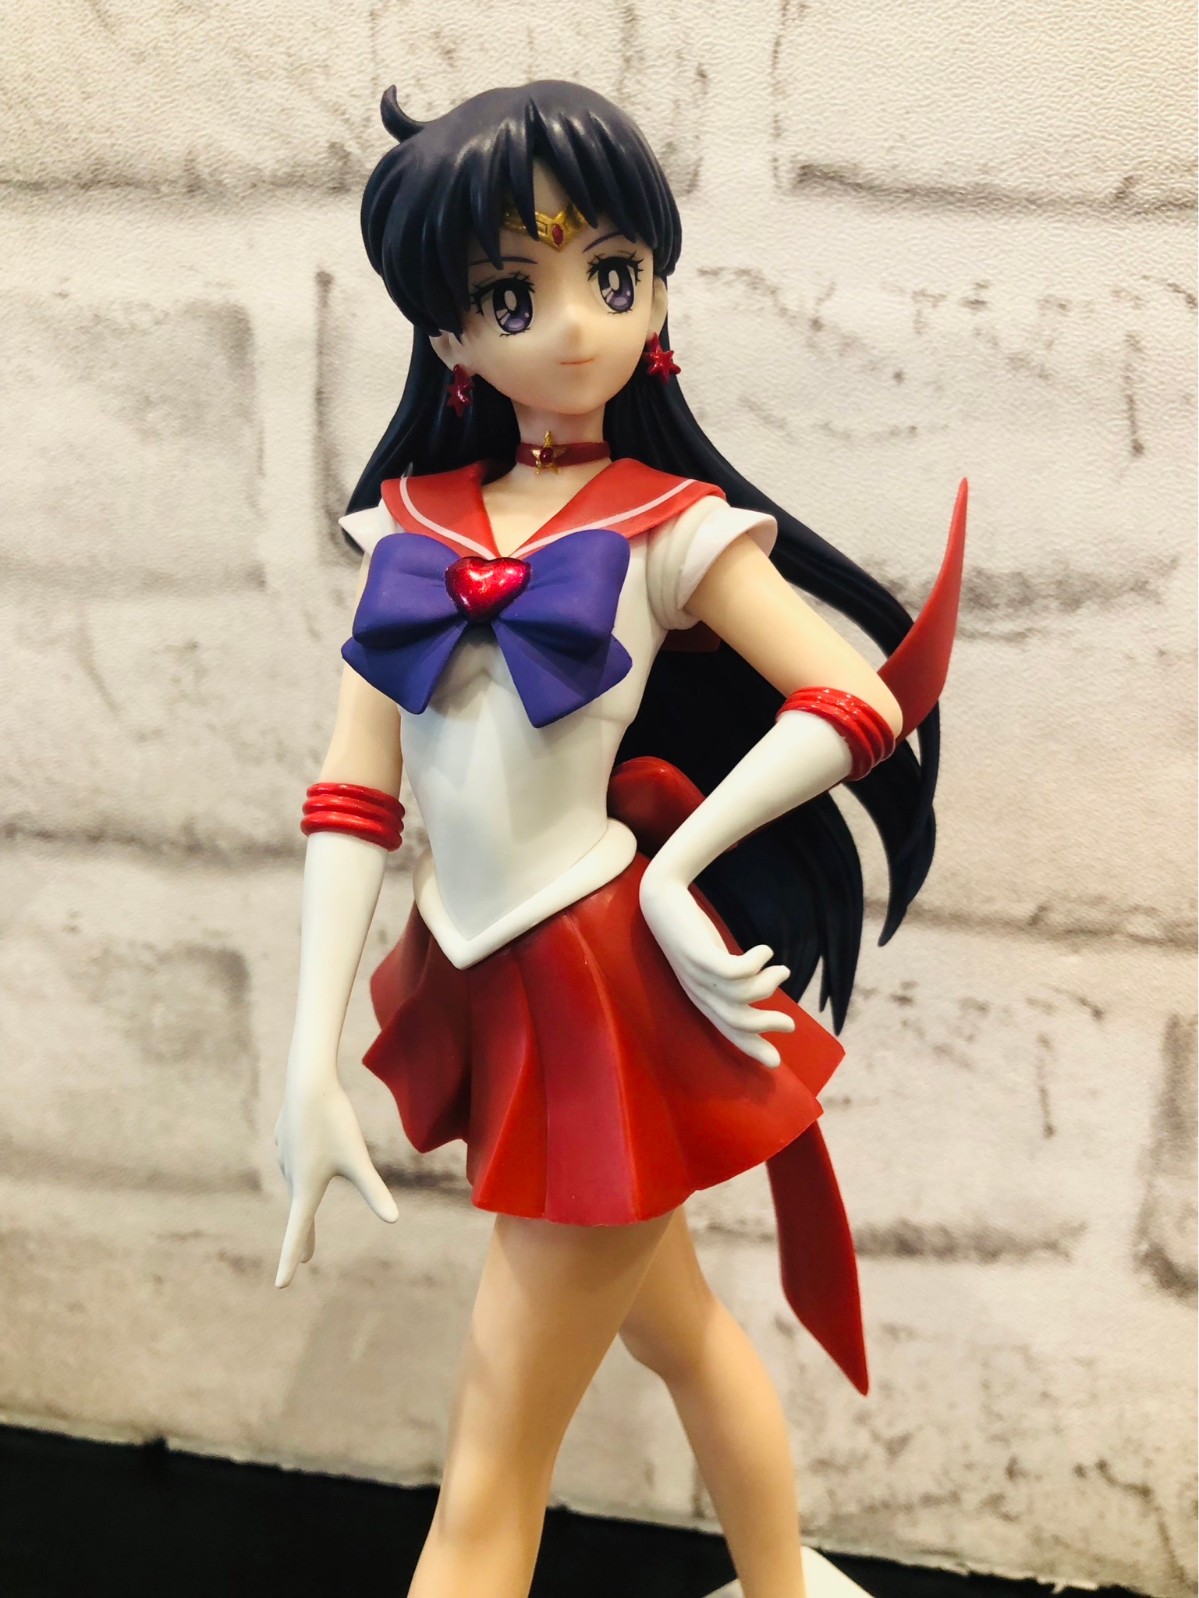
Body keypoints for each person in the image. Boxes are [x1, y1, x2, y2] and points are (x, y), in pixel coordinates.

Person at [273, 80, 964, 1598]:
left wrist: (682, 871)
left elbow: (855, 699)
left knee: (488, 1471)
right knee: (681, 1331)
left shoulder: (667, 525)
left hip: (596, 996)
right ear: (450, 337)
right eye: (513, 294)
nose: (574, 323)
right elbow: (352, 799)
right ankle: (783, 1584)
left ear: (654, 291)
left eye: (612, 272)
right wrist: (305, 1053)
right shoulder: (408, 531)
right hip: (481, 978)